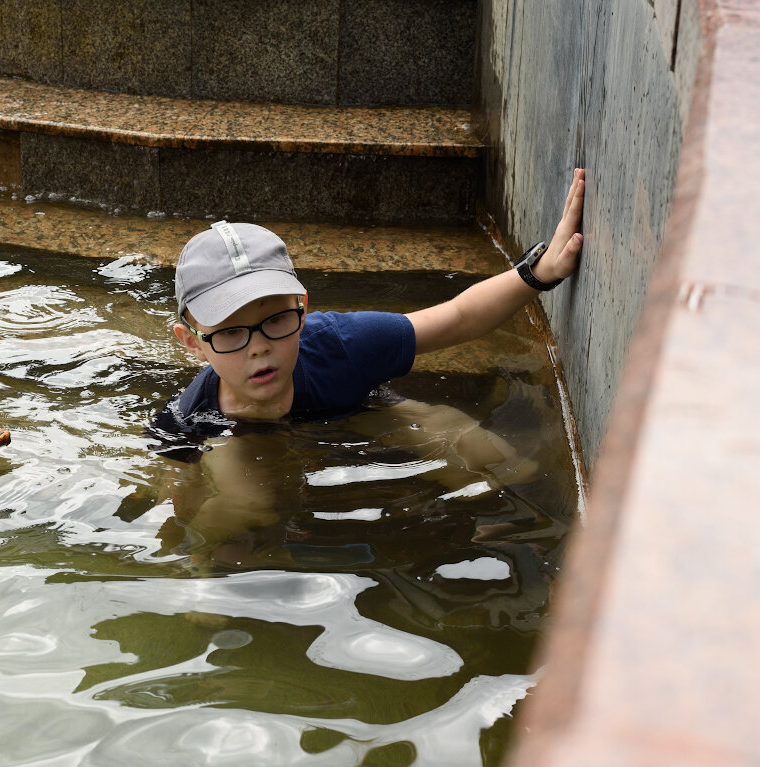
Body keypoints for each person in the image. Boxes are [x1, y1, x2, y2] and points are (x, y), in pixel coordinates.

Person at [149, 169, 585, 572]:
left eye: (276, 320)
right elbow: (180, 497)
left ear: (303, 309)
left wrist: (538, 272)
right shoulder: (189, 418)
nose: (259, 348)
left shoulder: (341, 344)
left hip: (354, 410)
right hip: (235, 437)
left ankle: (536, 528)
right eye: (230, 333)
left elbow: (457, 318)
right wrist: (198, 551)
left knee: (459, 437)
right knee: (242, 506)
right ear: (192, 342)